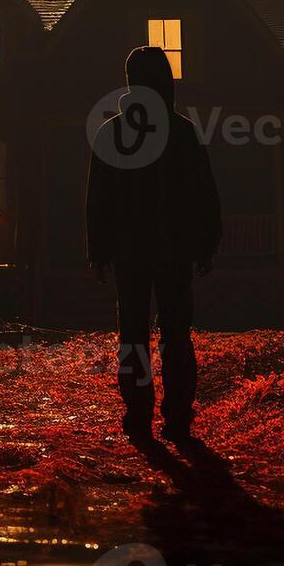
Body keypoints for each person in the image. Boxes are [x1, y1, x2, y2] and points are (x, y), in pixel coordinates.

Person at [85, 45, 222, 443]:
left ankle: (139, 413)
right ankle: (177, 414)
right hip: (174, 248)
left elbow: (99, 198)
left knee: (134, 333)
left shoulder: (112, 133)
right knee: (176, 333)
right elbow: (203, 191)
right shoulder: (181, 132)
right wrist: (206, 241)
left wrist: (99, 248)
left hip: (131, 252)